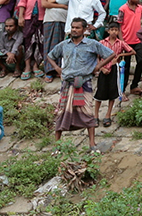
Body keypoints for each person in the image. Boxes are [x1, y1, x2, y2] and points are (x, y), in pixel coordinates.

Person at [47, 18, 118, 149]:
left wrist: (98, 66)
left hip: (83, 82)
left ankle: (92, 143)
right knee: (62, 111)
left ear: (84, 30)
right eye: (73, 27)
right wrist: (57, 68)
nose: (74, 30)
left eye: (77, 28)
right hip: (67, 83)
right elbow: (50, 56)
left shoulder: (92, 44)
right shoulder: (64, 44)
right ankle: (57, 145)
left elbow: (111, 54)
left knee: (87, 112)